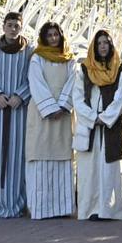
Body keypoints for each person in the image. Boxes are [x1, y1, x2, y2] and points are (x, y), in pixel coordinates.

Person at [72, 29, 122, 221]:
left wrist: (104, 118)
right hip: (90, 128)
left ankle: (110, 210)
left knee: (110, 169)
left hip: (111, 127)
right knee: (90, 170)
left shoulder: (120, 69)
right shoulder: (84, 69)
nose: (103, 46)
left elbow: (121, 97)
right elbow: (77, 98)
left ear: (111, 45)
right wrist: (92, 117)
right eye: (99, 43)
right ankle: (90, 209)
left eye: (106, 42)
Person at [0, 11, 33, 218]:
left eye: (16, 26)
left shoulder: (29, 52)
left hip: (19, 111)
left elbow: (34, 78)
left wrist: (21, 95)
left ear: (21, 28)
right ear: (3, 27)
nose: (13, 29)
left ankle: (16, 204)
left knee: (16, 158)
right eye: (9, 25)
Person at [25, 21, 77, 219]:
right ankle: (40, 208)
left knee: (62, 157)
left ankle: (62, 208)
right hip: (41, 113)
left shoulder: (70, 59)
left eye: (56, 34)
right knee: (40, 156)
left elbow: (73, 81)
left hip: (63, 115)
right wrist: (50, 107)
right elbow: (36, 82)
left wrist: (63, 106)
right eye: (50, 35)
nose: (54, 38)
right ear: (44, 37)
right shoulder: (37, 58)